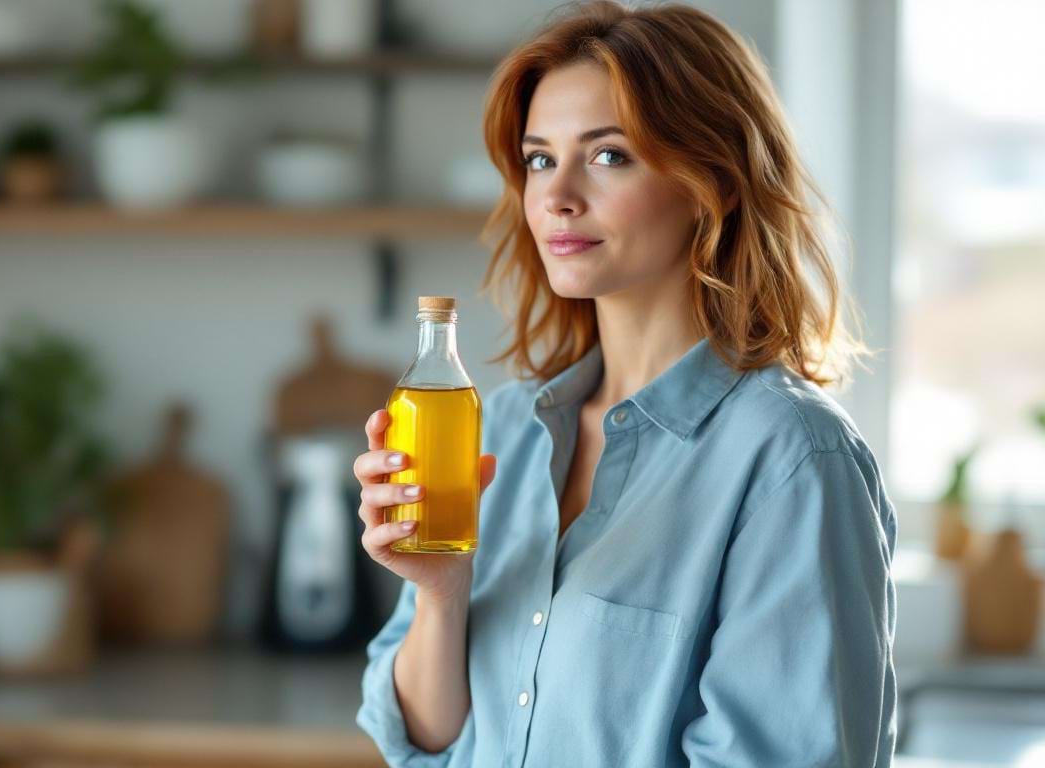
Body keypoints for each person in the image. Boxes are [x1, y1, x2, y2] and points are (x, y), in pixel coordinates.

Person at [352, 2, 897, 766]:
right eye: (540, 158)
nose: (556, 196)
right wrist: (441, 591)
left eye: (609, 156)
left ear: (717, 179)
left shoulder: (791, 462)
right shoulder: (501, 431)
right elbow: (431, 741)